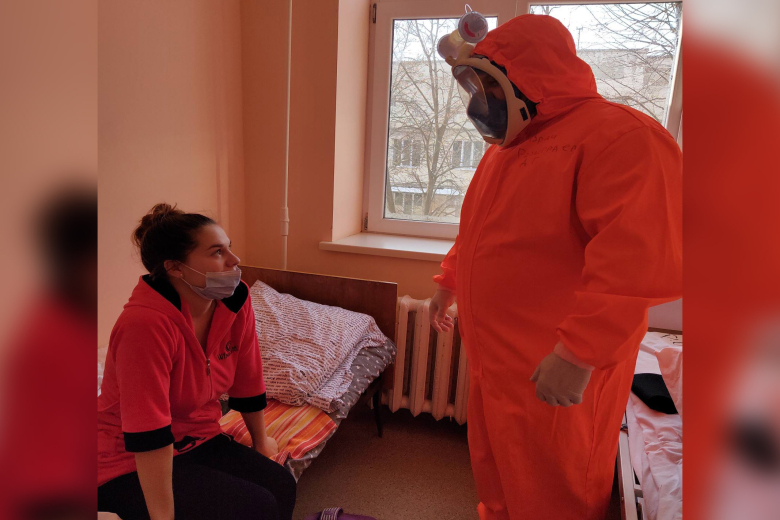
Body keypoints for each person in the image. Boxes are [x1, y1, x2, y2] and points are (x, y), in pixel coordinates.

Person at [429, 14, 682, 520]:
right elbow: (478, 234)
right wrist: (448, 284)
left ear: (524, 77)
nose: (479, 100)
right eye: (474, 86)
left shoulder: (619, 136)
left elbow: (635, 262)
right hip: (496, 360)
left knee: (555, 484)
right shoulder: (505, 151)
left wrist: (578, 353)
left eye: (486, 84)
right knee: (499, 467)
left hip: (557, 362)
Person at [97, 204, 296, 520]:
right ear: (176, 268)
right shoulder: (144, 326)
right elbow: (148, 430)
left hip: (197, 434)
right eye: (217, 252)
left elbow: (248, 375)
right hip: (127, 457)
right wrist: (163, 517)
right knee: (255, 506)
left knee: (282, 485)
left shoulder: (235, 301)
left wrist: (261, 442)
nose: (234, 260)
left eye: (229, 247)